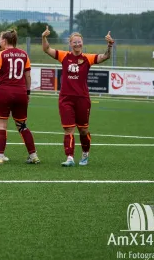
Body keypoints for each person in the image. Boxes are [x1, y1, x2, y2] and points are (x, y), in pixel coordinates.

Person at [42, 27, 114, 167]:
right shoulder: (64, 56)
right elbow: (47, 49)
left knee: (83, 129)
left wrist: (110, 45)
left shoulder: (87, 58)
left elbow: (105, 56)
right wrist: (44, 37)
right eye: (74, 42)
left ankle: (85, 154)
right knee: (69, 129)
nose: (77, 44)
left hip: (82, 99)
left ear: (82, 43)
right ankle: (69, 157)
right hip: (66, 99)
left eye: (79, 42)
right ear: (70, 44)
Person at [0, 30, 40, 165]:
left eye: (2, 39)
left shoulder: (1, 55)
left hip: (4, 93)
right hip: (20, 93)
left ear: (4, 41)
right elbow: (28, 76)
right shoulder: (24, 54)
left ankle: (0, 157)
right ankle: (33, 155)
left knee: (1, 125)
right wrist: (27, 92)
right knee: (22, 125)